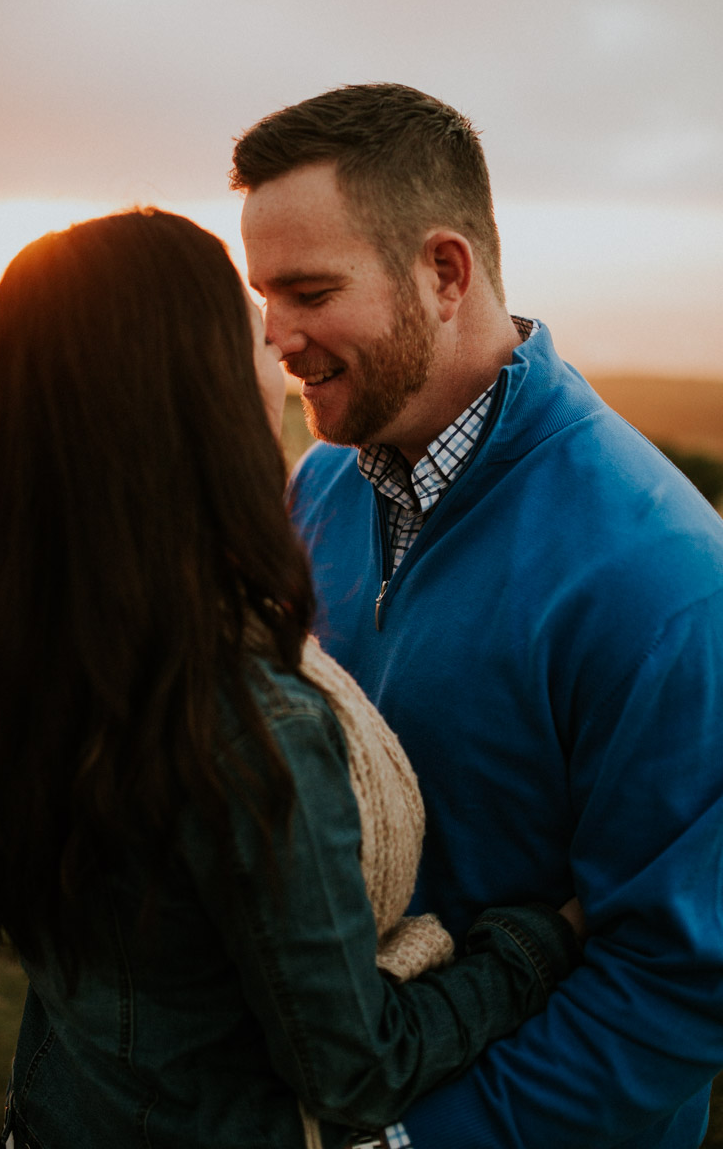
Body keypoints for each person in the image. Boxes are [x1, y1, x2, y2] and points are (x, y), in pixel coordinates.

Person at [0, 208, 581, 1149]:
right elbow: (356, 1071)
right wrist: (536, 943)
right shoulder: (246, 720)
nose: (277, 342)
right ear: (191, 398)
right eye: (248, 330)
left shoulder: (24, 640)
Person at [232, 82, 723, 1149]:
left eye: (309, 292)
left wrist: (413, 1144)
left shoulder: (663, 577)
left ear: (443, 272)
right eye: (265, 297)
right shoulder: (317, 486)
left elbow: (674, 984)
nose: (279, 338)